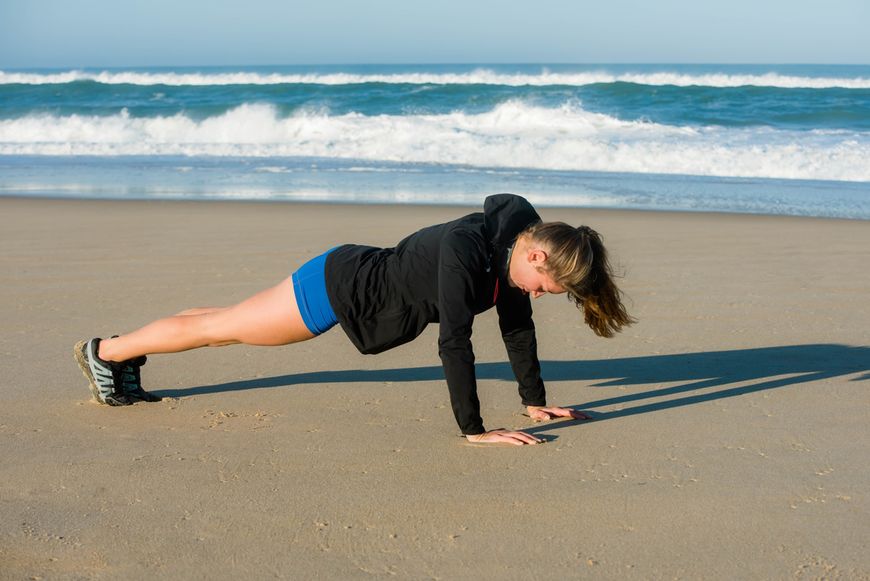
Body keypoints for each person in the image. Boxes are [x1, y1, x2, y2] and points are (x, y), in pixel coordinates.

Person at [74, 194, 634, 445]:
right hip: (340, 289)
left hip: (350, 273)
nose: (538, 296)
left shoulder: (506, 251)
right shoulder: (471, 251)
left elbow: (516, 329)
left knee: (222, 321)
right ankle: (106, 353)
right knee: (220, 329)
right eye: (546, 286)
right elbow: (455, 343)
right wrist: (475, 431)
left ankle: (119, 354)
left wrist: (533, 398)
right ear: (535, 255)